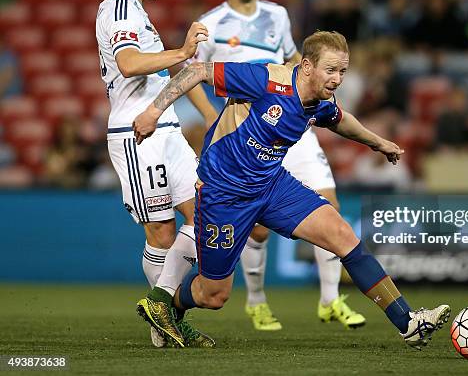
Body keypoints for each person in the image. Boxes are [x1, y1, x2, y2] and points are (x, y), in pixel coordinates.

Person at [134, 30, 451, 350]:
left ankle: (408, 321)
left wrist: (378, 143)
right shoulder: (266, 79)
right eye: (331, 70)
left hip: (272, 185)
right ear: (308, 66)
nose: (338, 79)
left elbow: (340, 119)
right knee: (213, 295)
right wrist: (153, 112)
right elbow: (198, 70)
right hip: (223, 193)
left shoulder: (319, 100)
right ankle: (165, 305)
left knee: (342, 235)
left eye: (343, 71)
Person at [184, 0, 366, 331]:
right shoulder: (212, 22)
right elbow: (193, 73)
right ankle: (256, 300)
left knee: (328, 203)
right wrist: (213, 117)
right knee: (260, 226)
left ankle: (331, 300)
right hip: (244, 130)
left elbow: (292, 62)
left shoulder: (278, 15)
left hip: (291, 115)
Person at [95, 0, 214, 348]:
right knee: (162, 235)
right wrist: (182, 51)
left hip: (165, 129)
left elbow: (161, 72)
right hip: (137, 133)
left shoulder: (140, 15)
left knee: (207, 214)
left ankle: (161, 305)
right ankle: (165, 320)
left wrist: (211, 114)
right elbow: (129, 65)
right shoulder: (120, 8)